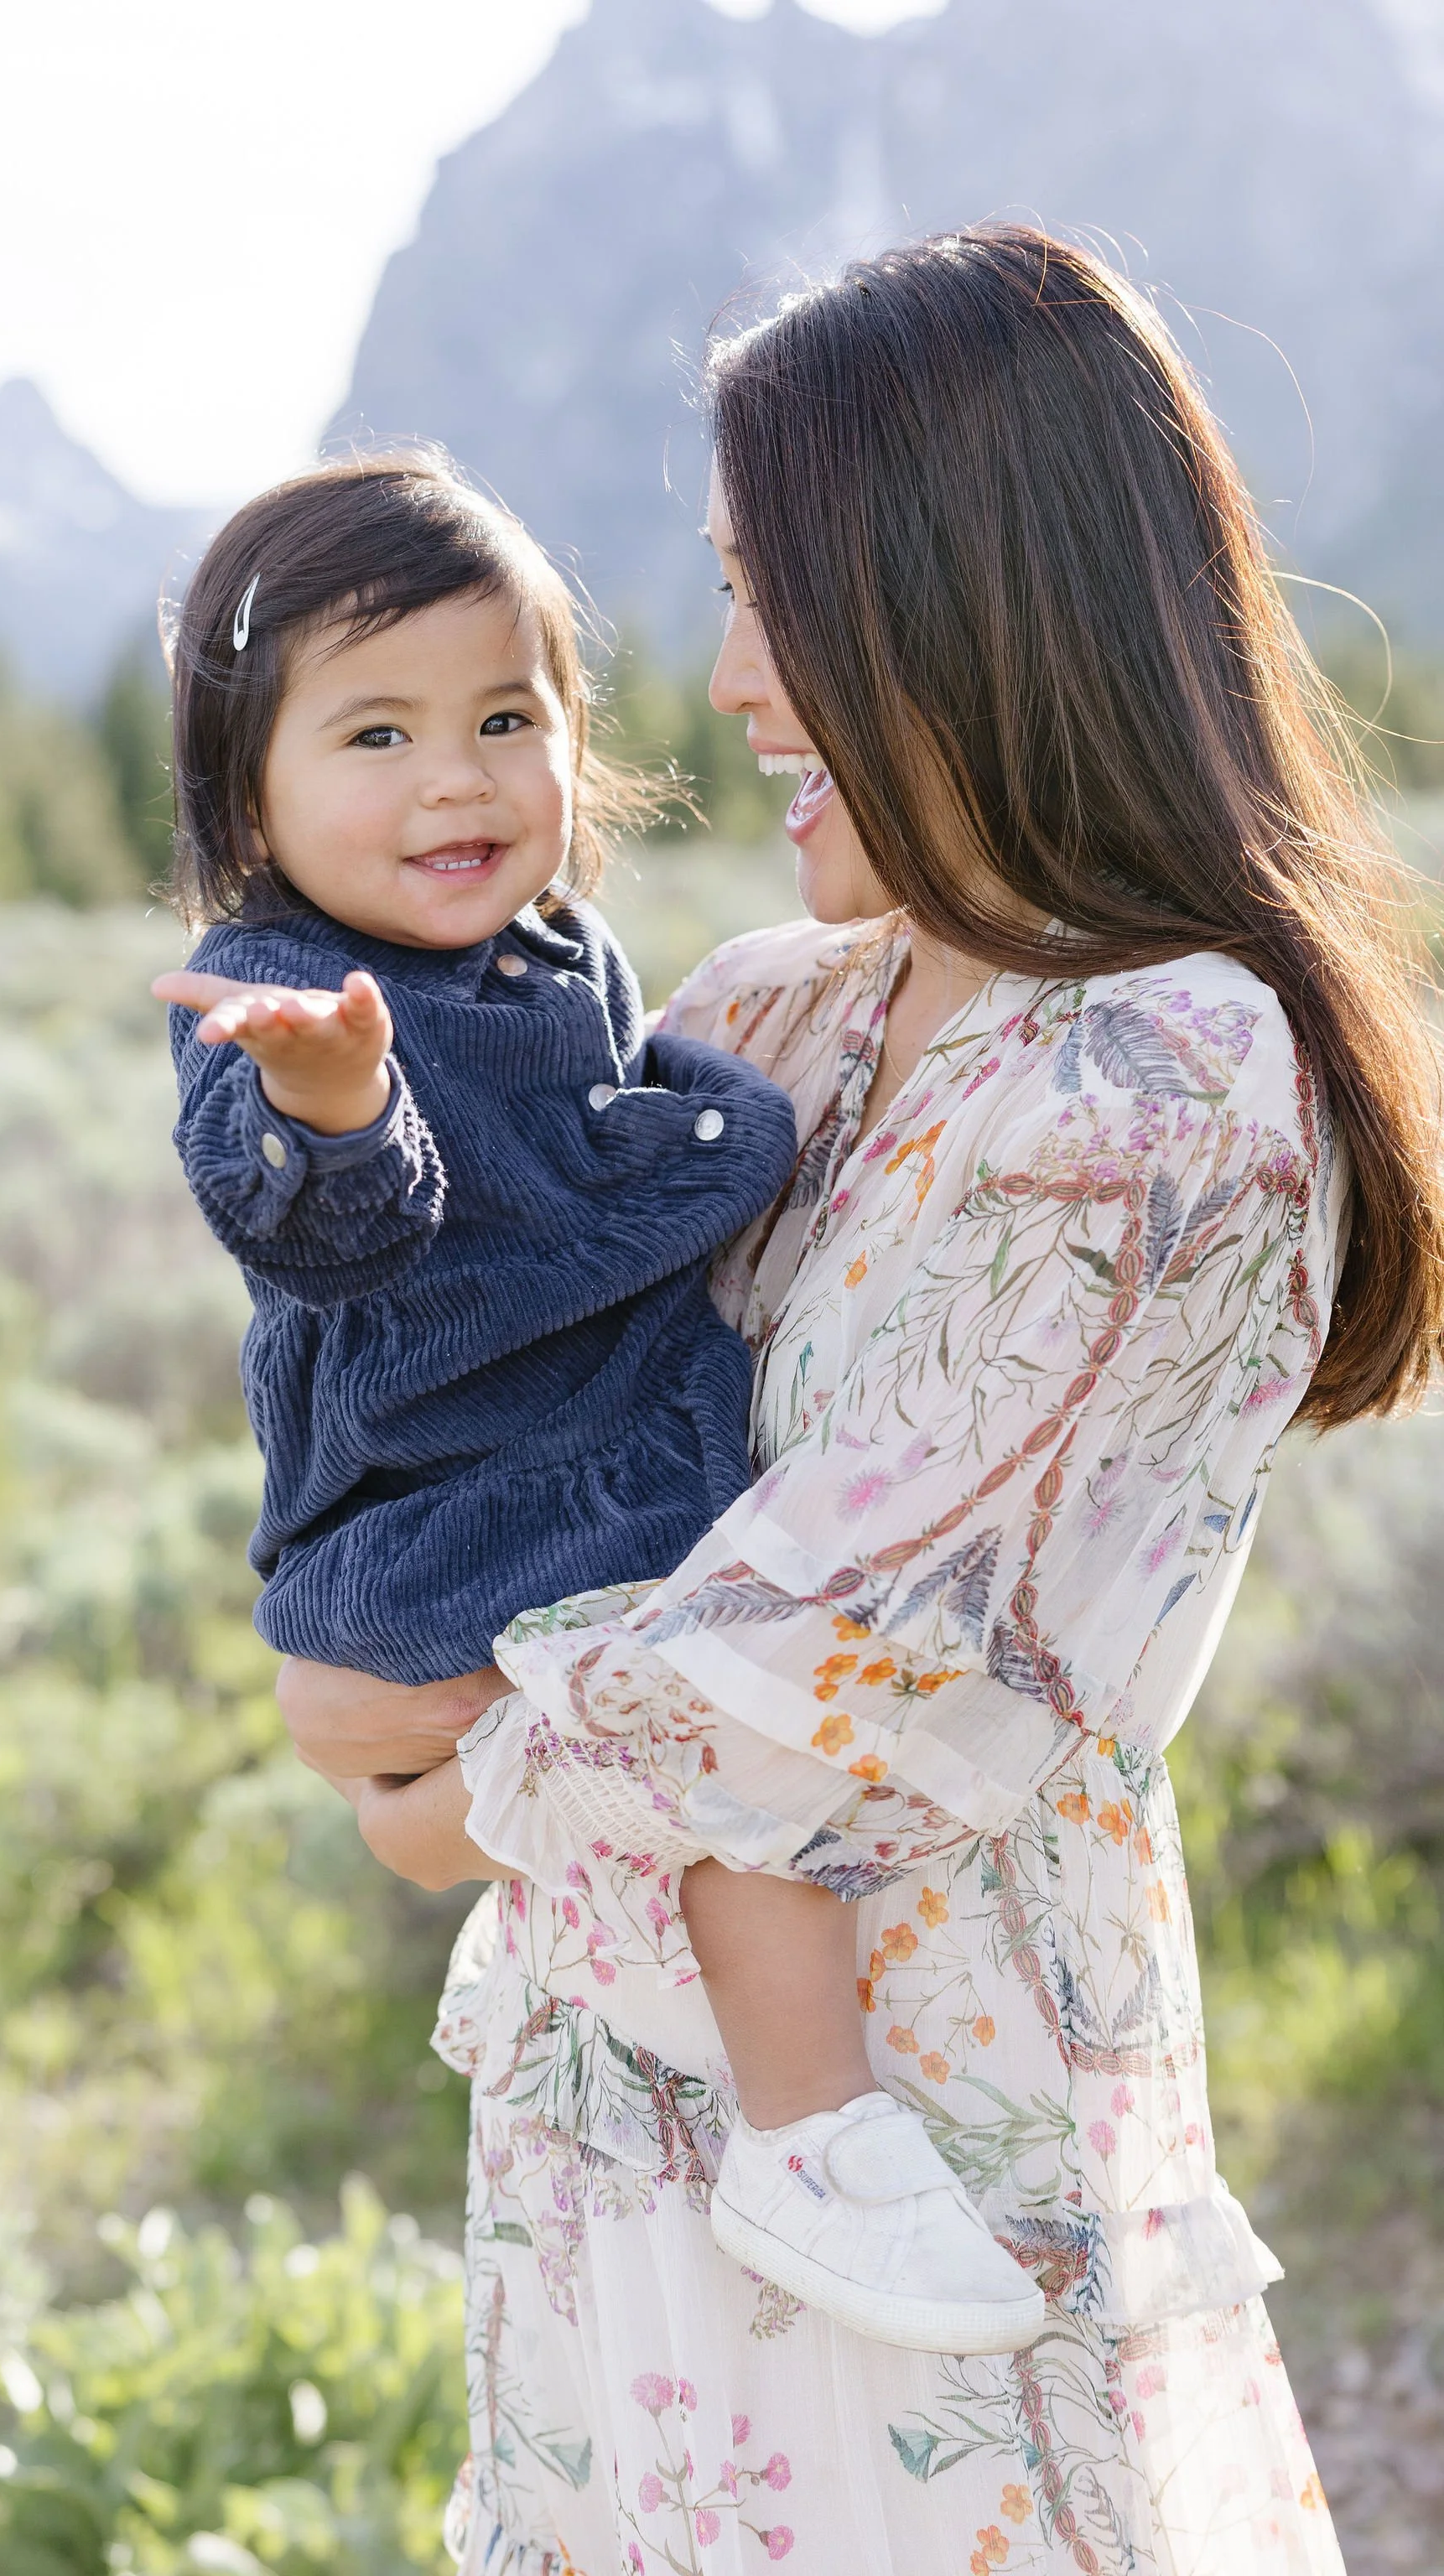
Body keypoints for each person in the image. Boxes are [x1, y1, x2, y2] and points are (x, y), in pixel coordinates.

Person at [281, 227, 1444, 2573]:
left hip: (922, 2191)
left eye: (772, 594)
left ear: (966, 601)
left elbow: (825, 1669)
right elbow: (480, 1399)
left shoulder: (1165, 1067)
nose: (720, 679)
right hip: (621, 2175)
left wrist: (423, 1778)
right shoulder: (775, 1018)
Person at [154, 454, 1043, 2358]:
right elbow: (322, 1224)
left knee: (705, 1668)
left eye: (505, 717)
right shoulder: (279, 993)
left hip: (573, 1444)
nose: (456, 780)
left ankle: (707, 2075)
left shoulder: (548, 947)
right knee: (713, 1673)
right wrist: (330, 1104)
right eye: (375, 734)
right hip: (457, 1508)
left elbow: (585, 1141)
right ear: (253, 793)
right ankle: (811, 2135)